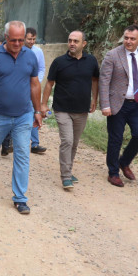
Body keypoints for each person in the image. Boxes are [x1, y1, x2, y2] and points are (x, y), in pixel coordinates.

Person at [0, 21, 43, 215]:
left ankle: (20, 198)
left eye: (21, 40)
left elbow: (34, 84)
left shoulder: (30, 56)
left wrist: (38, 111)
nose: (18, 44)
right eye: (14, 40)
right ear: (6, 38)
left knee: (22, 154)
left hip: (23, 115)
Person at [99, 25, 138, 187]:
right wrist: (105, 105)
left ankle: (124, 162)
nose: (128, 41)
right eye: (126, 38)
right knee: (115, 139)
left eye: (132, 38)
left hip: (137, 104)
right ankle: (113, 173)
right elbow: (104, 81)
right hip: (117, 104)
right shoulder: (112, 55)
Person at [41, 31, 99, 189]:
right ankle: (66, 176)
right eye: (70, 40)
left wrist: (94, 99)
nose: (72, 43)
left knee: (74, 143)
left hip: (82, 110)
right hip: (62, 109)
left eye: (76, 41)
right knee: (67, 140)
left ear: (84, 44)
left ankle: (68, 168)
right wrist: (43, 104)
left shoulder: (91, 61)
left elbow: (95, 79)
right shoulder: (59, 62)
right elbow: (49, 83)